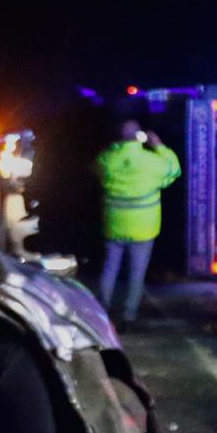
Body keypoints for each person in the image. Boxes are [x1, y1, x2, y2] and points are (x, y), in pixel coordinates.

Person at [92, 119, 180, 324]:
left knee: (109, 268)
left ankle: (102, 312)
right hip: (143, 228)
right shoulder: (152, 162)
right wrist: (158, 145)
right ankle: (128, 315)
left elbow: (98, 170)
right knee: (136, 273)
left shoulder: (107, 159)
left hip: (114, 226)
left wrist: (116, 146)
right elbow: (174, 169)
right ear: (139, 136)